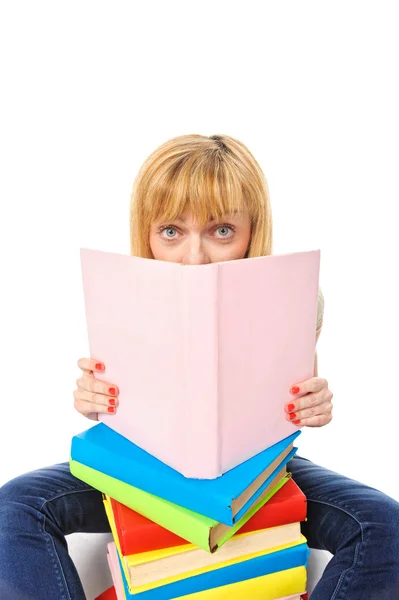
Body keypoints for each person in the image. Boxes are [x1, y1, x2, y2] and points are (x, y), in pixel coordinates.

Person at [0, 134, 398, 600]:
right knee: (16, 506)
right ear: (147, 233)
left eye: (221, 231)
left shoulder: (297, 297)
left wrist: (315, 403)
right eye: (171, 231)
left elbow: (294, 388)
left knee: (384, 524)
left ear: (253, 231)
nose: (195, 256)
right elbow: (113, 390)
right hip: (141, 468)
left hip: (256, 472)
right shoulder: (126, 293)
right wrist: (94, 399)